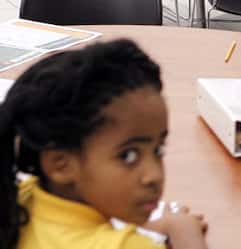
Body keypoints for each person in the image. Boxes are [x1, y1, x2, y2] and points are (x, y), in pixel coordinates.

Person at [0, 40, 208, 249]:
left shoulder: (20, 201)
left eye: (158, 150)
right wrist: (185, 233)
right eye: (128, 156)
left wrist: (159, 225)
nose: (155, 176)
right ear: (60, 164)